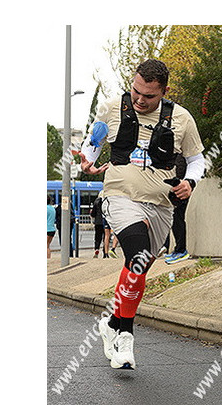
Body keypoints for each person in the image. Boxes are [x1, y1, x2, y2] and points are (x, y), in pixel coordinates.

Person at [80, 59, 205, 370]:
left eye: (148, 96)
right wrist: (87, 160)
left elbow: (196, 160)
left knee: (139, 268)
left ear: (164, 91)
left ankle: (111, 322)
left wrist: (190, 183)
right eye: (135, 91)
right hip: (120, 196)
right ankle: (125, 336)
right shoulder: (112, 108)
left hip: (161, 204)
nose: (139, 99)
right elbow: (93, 143)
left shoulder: (181, 118)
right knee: (136, 255)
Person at [163, 154, 191, 264]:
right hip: (178, 190)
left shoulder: (182, 156)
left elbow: (180, 171)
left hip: (181, 191)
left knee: (178, 219)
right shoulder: (178, 156)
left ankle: (181, 250)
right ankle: (178, 249)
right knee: (175, 219)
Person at [90, 192, 105, 258]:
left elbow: (93, 213)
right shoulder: (106, 201)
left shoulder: (96, 202)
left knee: (97, 237)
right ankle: (105, 251)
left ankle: (97, 249)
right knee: (106, 237)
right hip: (105, 221)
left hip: (98, 222)